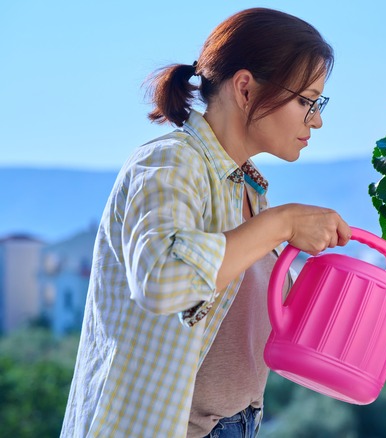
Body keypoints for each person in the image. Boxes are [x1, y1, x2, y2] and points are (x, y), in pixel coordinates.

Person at [60, 8, 351, 437]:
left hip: (239, 424)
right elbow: (163, 280)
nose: (318, 119)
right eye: (307, 101)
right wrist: (281, 223)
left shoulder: (247, 187)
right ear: (246, 88)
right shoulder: (169, 162)